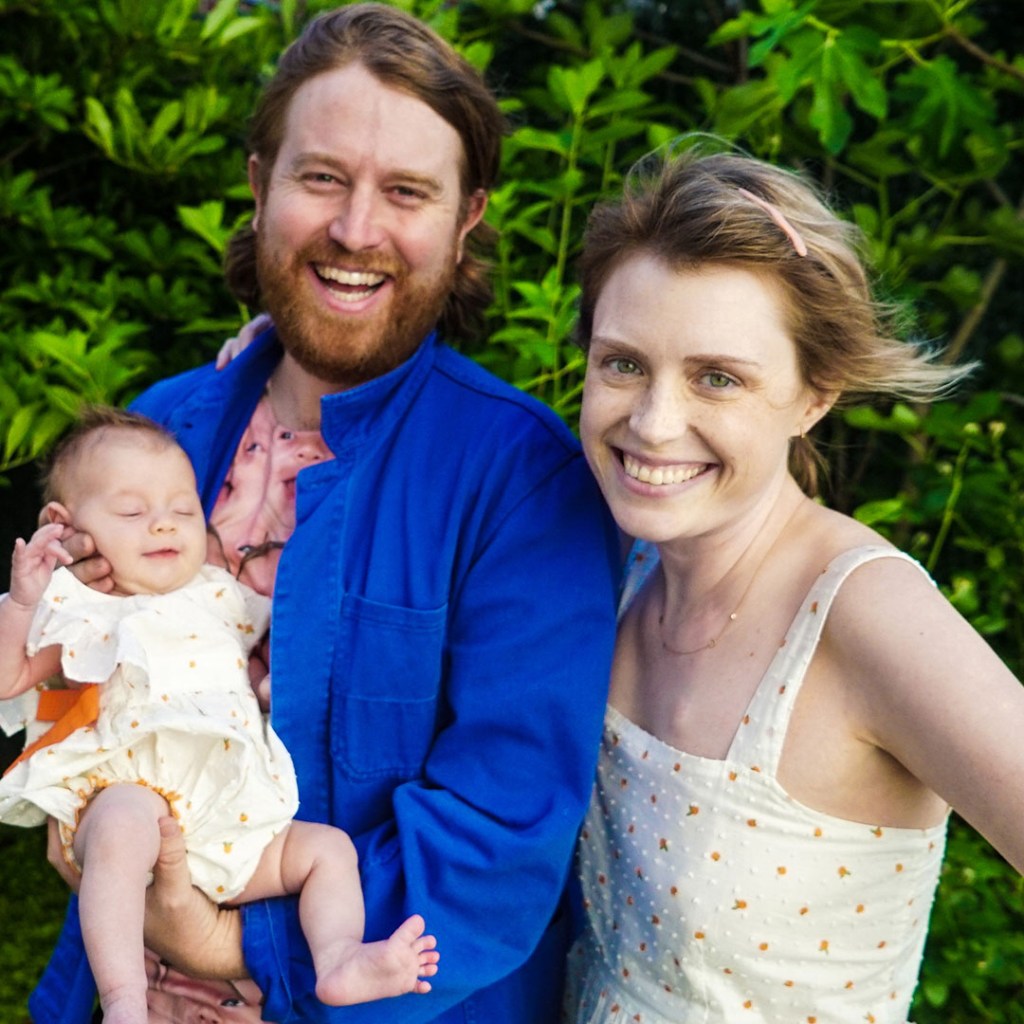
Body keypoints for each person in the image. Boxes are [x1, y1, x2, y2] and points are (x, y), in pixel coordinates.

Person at [29, 5, 621, 1024]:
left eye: (406, 191)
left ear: (467, 219)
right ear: (260, 183)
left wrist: (226, 943)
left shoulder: (525, 482)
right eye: (321, 178)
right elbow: (71, 664)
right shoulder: (164, 427)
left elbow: (499, 836)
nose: (355, 229)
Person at [561, 145, 1024, 1023]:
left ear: (815, 394)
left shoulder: (864, 612)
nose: (654, 424)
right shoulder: (619, 563)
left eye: (718, 378)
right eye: (623, 363)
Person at [0, 409, 439, 1024]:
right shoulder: (83, 609)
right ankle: (124, 1000)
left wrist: (271, 687)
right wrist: (24, 603)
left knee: (328, 851)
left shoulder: (220, 594)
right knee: (121, 829)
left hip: (235, 823)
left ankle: (338, 959)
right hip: (132, 797)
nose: (162, 523)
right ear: (64, 527)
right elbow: (10, 678)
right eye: (132, 512)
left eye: (183, 510)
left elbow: (265, 664)